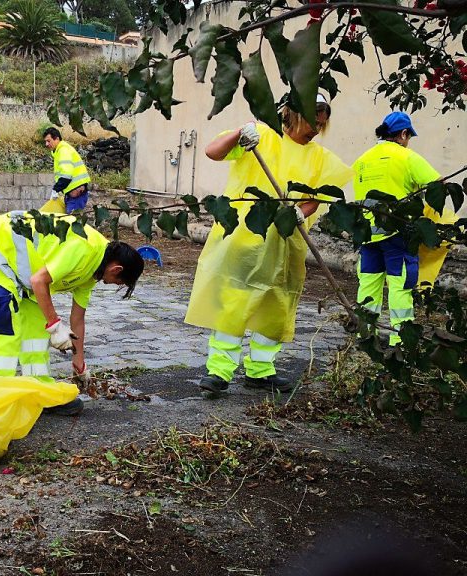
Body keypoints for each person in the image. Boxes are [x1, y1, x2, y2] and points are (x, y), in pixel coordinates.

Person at [185, 95, 354, 398]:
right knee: (233, 302)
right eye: (313, 121)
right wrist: (240, 133)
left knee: (276, 303)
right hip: (242, 236)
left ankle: (261, 370)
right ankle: (219, 371)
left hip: (285, 242)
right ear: (293, 114)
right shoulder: (260, 137)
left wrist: (302, 211)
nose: (317, 128)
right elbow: (213, 152)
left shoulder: (320, 157)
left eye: (322, 123)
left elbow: (317, 196)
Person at [0, 211, 144, 415]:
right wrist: (55, 324)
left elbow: (77, 318)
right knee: (1, 322)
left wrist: (79, 361)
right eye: (119, 282)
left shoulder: (95, 271)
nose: (112, 284)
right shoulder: (84, 249)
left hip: (23, 268)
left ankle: (38, 391)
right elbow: (38, 281)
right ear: (117, 269)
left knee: (36, 326)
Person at [353, 111, 440, 345]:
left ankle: (365, 335)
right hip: (398, 234)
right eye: (408, 136)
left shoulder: (362, 159)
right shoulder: (406, 157)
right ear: (403, 133)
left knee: (368, 284)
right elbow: (438, 186)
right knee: (400, 286)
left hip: (368, 235)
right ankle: (399, 341)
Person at [42, 127, 91, 213]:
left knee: (72, 222)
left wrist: (56, 189)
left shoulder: (63, 151)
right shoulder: (59, 151)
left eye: (48, 141)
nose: (46, 144)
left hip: (76, 194)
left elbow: (66, 176)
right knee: (71, 221)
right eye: (45, 141)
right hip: (74, 194)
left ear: (57, 138)